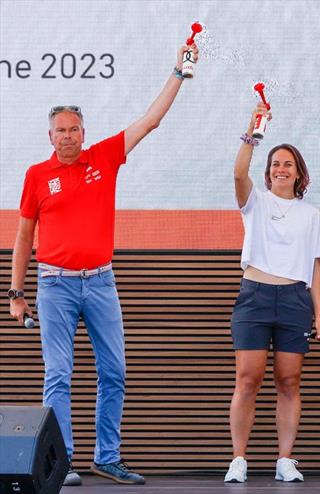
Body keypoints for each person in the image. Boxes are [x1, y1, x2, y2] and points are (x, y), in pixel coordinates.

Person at [7, 42, 199, 487]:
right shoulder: (37, 175)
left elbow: (151, 120)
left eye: (75, 128)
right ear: (50, 136)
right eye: (61, 130)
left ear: (83, 132)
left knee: (114, 371)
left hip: (100, 283)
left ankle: (106, 457)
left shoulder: (105, 158)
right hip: (53, 286)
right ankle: (65, 460)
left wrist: (178, 71)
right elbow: (22, 238)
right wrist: (16, 294)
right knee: (58, 375)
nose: (69, 135)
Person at [224, 103, 320, 483]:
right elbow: (239, 171)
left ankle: (285, 459)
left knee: (289, 381)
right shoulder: (255, 202)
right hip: (254, 296)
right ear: (267, 174)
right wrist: (252, 133)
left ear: (299, 173)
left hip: (294, 301)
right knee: (247, 378)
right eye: (275, 164)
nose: (280, 169)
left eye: (288, 164)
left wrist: (318, 315)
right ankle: (239, 458)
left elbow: (316, 269)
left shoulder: (312, 215)